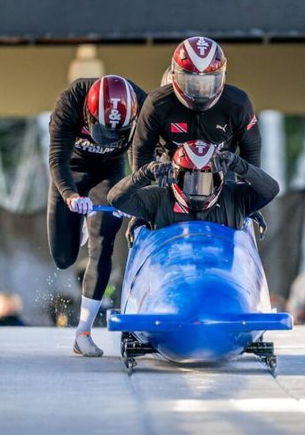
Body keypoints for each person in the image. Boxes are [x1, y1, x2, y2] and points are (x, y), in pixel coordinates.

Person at [48, 75, 147, 357]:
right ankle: (78, 221)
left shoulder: (143, 102)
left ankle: (83, 333)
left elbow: (146, 152)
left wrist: (132, 193)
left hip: (110, 169)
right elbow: (56, 157)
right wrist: (70, 195)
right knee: (64, 258)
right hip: (71, 168)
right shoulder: (69, 102)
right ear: (88, 115)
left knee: (103, 244)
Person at [131, 36, 261, 170]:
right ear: (175, 75)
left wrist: (245, 187)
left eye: (208, 83)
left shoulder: (238, 104)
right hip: (172, 170)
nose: (200, 90)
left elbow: (251, 148)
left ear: (222, 77)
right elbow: (142, 151)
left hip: (220, 170)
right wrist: (143, 186)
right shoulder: (156, 103)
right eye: (192, 82)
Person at [108, 140, 278, 230]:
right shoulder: (158, 198)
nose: (197, 188)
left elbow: (271, 189)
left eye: (205, 181)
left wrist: (239, 164)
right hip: (170, 277)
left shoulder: (234, 196)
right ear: (175, 176)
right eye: (190, 180)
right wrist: (145, 173)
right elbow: (116, 199)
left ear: (219, 178)